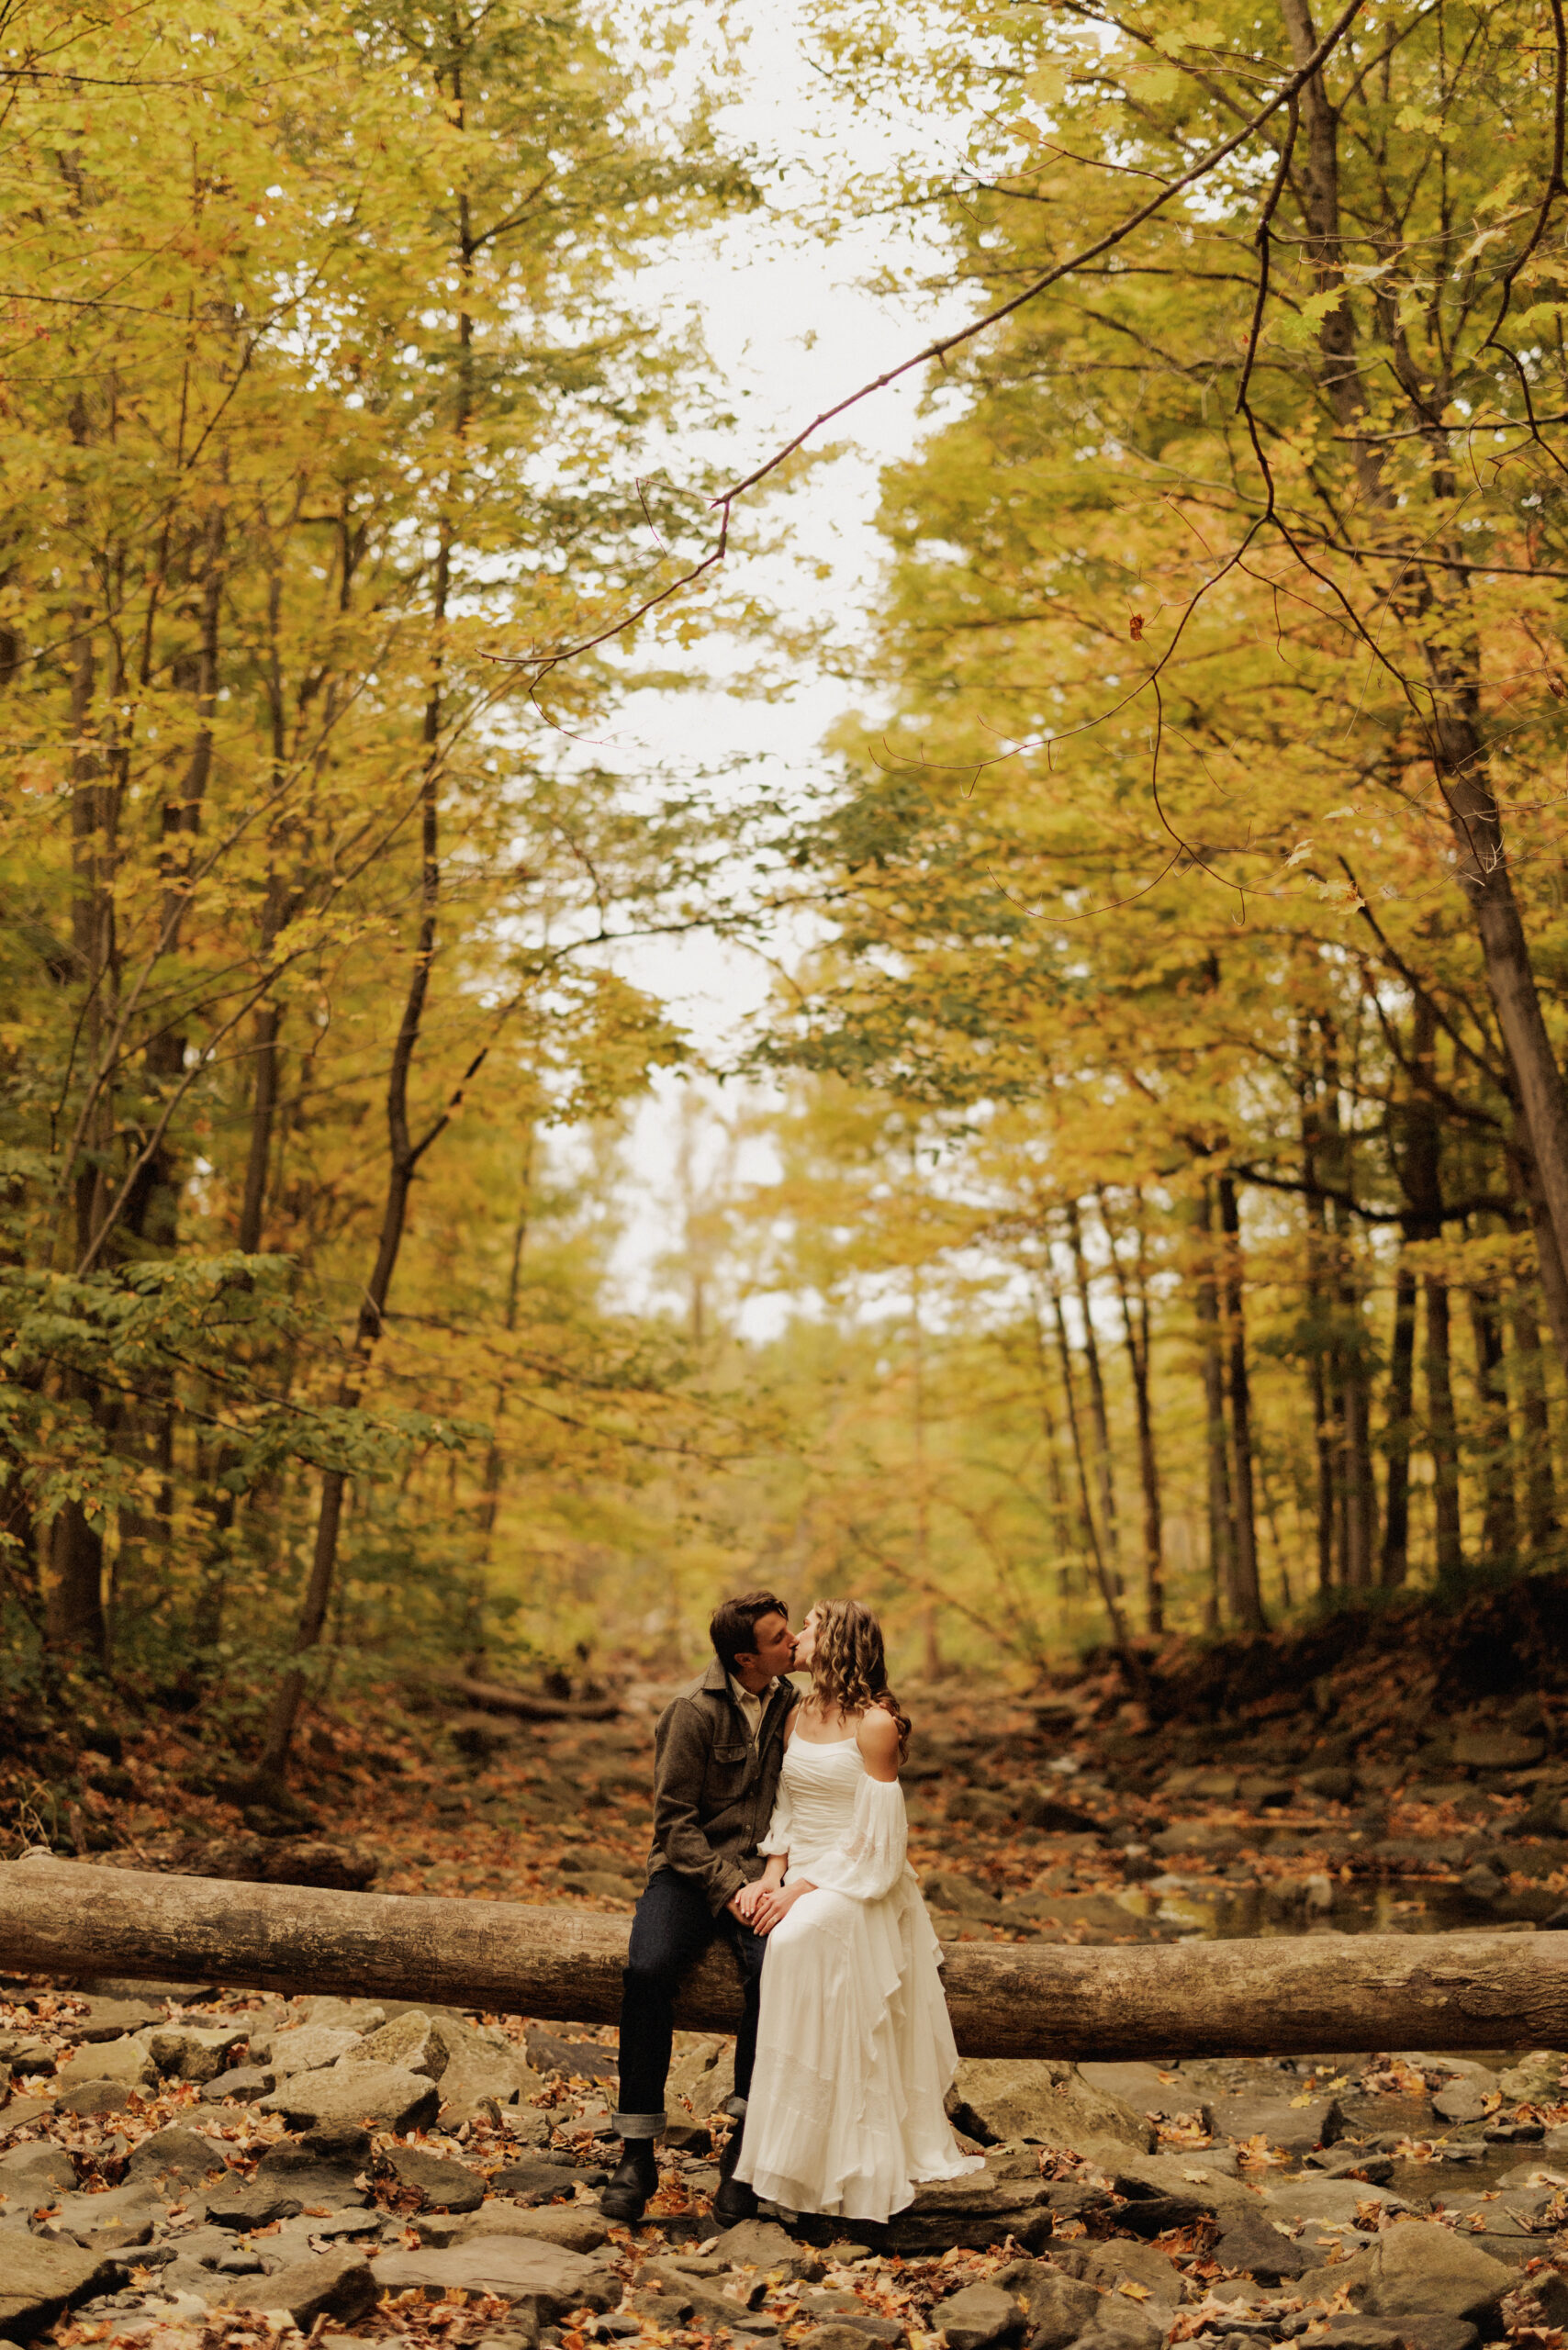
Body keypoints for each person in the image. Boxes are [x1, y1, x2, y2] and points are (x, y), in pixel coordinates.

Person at [734, 1597, 983, 2224]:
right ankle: (794, 2154)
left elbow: (880, 1842)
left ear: (839, 1641)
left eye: (811, 1626)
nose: (799, 1634)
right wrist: (772, 1875)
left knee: (792, 1941)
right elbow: (787, 1805)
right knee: (786, 1939)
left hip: (861, 1881)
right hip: (801, 1872)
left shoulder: (875, 1724)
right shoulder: (796, 1711)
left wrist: (801, 1889)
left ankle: (847, 2154)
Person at [600, 1589, 798, 2225]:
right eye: (779, 1638)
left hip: (766, 1875)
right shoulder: (691, 1712)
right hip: (689, 1874)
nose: (793, 1641)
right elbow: (674, 1824)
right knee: (647, 1971)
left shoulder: (791, 1701)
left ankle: (744, 2151)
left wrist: (769, 1882)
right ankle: (636, 2153)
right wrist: (727, 1888)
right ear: (746, 1658)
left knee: (778, 1973)